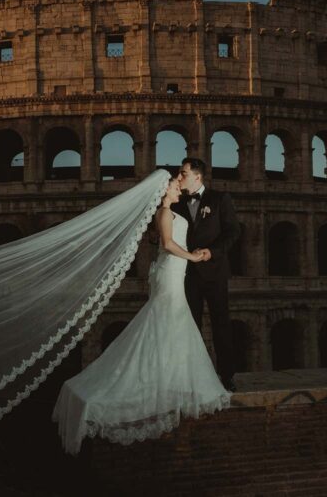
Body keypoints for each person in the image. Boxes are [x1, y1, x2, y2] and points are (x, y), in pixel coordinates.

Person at [51, 177, 232, 455]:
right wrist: (194, 258)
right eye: (173, 184)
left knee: (170, 322)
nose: (177, 186)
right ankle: (165, 381)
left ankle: (171, 378)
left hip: (173, 272)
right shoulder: (164, 212)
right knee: (169, 319)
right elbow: (169, 244)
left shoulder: (174, 211)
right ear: (163, 192)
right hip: (171, 270)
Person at [171, 158, 241, 392]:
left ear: (197, 176)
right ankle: (193, 376)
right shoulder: (176, 203)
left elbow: (233, 231)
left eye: (184, 173)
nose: (180, 177)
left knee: (221, 324)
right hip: (187, 273)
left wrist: (213, 251)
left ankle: (227, 376)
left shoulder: (220, 199)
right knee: (190, 325)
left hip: (215, 271)